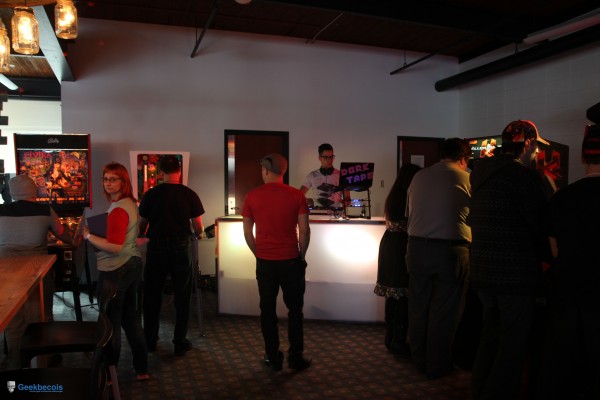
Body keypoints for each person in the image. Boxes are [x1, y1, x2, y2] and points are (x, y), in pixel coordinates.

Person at [468, 120, 550, 400]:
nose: (536, 152)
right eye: (536, 146)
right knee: (512, 347)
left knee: (489, 339)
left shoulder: (480, 174)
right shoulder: (524, 177)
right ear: (526, 144)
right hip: (514, 274)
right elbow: (542, 225)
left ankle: (478, 391)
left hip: (483, 271)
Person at [538, 124, 600, 399]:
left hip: (568, 292)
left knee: (565, 364)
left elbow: (553, 250)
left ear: (583, 157)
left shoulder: (562, 197)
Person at [406, 138, 472, 380]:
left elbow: (409, 212)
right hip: (449, 250)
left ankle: (418, 359)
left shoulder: (419, 176)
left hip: (416, 247)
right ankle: (437, 365)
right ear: (463, 158)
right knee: (444, 311)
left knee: (418, 307)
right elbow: (474, 215)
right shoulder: (467, 178)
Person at [242, 153, 311, 372]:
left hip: (265, 262)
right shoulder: (297, 195)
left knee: (267, 310)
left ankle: (273, 357)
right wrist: (302, 256)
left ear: (265, 170)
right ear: (283, 171)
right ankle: (296, 358)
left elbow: (247, 232)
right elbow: (304, 231)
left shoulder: (252, 196)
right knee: (295, 310)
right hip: (291, 260)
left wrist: (258, 253)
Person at [82, 162, 149, 380]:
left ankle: (110, 376)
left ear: (123, 181)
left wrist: (89, 236)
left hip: (116, 268)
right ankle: (141, 369)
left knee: (110, 325)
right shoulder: (130, 203)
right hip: (131, 264)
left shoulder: (119, 209)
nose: (108, 183)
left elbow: (114, 246)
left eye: (113, 179)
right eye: (105, 179)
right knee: (130, 320)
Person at [0, 174, 75, 369]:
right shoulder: (45, 210)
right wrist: (76, 239)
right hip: (38, 270)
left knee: (14, 321)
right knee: (41, 316)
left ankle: (16, 363)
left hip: (7, 272)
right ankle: (41, 362)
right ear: (34, 190)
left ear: (11, 192)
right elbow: (63, 235)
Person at [138, 155, 204, 356]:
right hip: (181, 248)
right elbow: (198, 226)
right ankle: (179, 341)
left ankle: (150, 340)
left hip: (156, 248)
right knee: (182, 296)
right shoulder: (189, 194)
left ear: (160, 173)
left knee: (152, 295)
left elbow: (142, 225)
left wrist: (142, 236)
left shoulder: (151, 194)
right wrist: (199, 234)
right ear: (179, 171)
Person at [374, 163, 421, 356]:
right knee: (402, 294)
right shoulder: (411, 196)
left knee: (393, 294)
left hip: (389, 243)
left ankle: (390, 338)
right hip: (402, 245)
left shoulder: (394, 195)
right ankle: (399, 342)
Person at [300, 143, 347, 209]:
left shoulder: (341, 175)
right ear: (319, 158)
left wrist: (344, 201)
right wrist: (307, 201)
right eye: (326, 157)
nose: (329, 160)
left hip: (335, 213)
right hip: (317, 212)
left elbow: (347, 198)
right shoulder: (312, 175)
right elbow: (299, 194)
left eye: (331, 157)